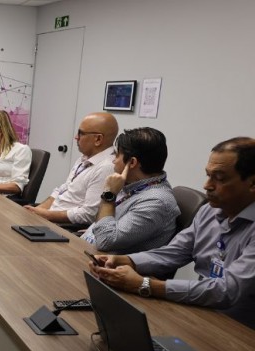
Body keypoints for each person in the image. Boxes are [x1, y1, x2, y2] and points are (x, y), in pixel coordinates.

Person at [90, 137, 255, 329]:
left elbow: (227, 290)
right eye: (208, 175)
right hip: (204, 313)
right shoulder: (209, 211)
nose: (207, 185)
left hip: (241, 331)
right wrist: (125, 261)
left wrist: (146, 285)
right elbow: (174, 252)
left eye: (219, 178)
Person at [81, 127, 179, 254]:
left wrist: (109, 195)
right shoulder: (133, 184)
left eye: (117, 155)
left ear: (132, 162)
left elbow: (105, 241)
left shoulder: (156, 202)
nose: (113, 160)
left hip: (104, 262)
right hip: (86, 248)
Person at [25, 112, 118, 225]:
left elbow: (89, 214)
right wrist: (37, 211)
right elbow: (62, 190)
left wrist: (45, 215)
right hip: (49, 217)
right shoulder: (85, 158)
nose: (76, 137)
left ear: (98, 139)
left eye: (81, 133)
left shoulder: (106, 168)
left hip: (62, 226)